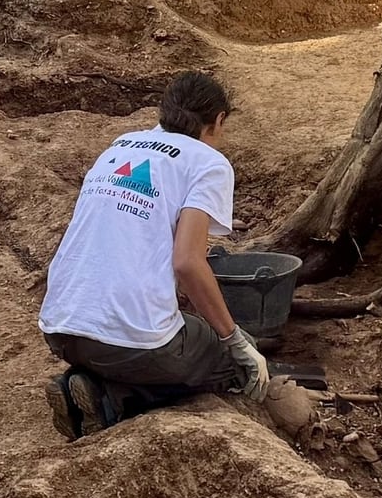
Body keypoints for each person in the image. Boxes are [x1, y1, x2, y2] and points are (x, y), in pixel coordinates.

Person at [40, 71, 270, 440]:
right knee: (225, 356)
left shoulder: (120, 146)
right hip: (125, 343)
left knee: (161, 336)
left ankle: (88, 383)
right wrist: (234, 338)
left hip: (60, 328)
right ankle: (111, 397)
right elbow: (187, 262)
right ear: (218, 120)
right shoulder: (208, 163)